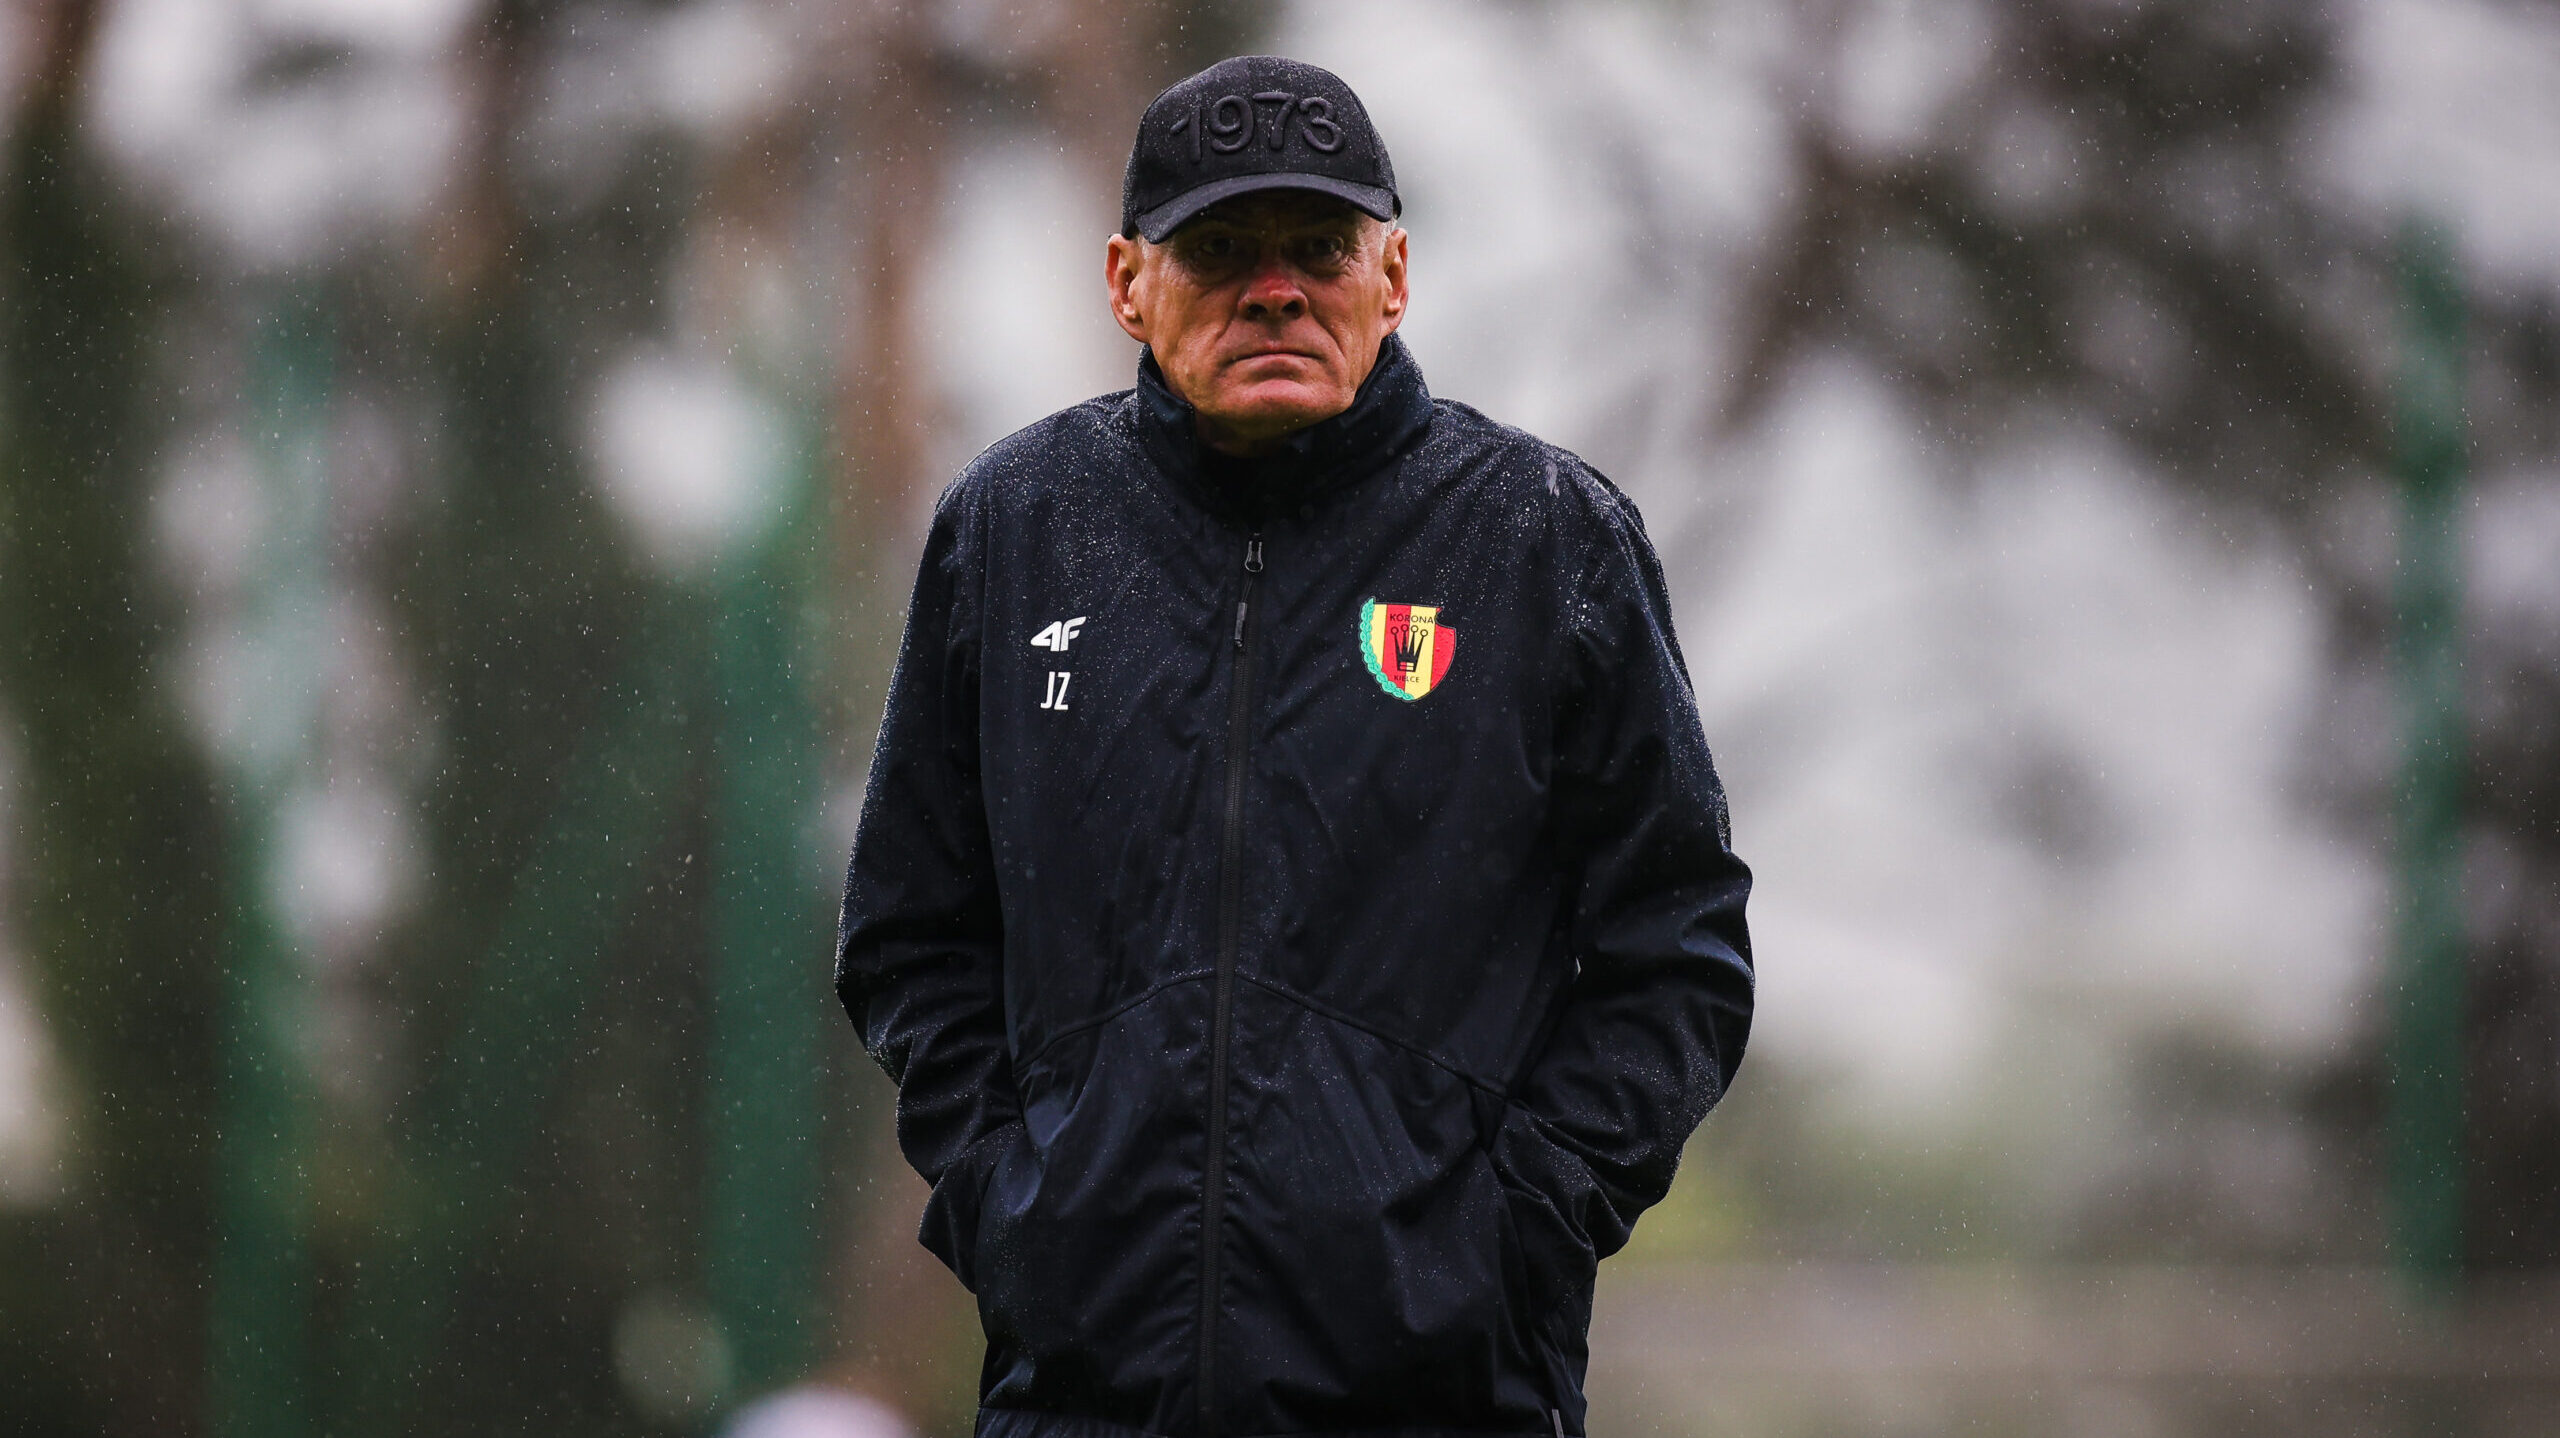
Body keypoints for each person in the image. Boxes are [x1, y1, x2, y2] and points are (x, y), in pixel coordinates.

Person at [836, 54, 1752, 1438]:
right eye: (1219, 250)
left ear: (1393, 276)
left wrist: (1512, 1234)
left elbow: (1678, 951)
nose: (1275, 289)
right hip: (1082, 1405)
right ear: (1127, 283)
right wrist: (1016, 1212)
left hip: (1451, 1406)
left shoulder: (1544, 537)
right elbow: (910, 936)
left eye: (1319, 247)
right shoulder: (1014, 530)